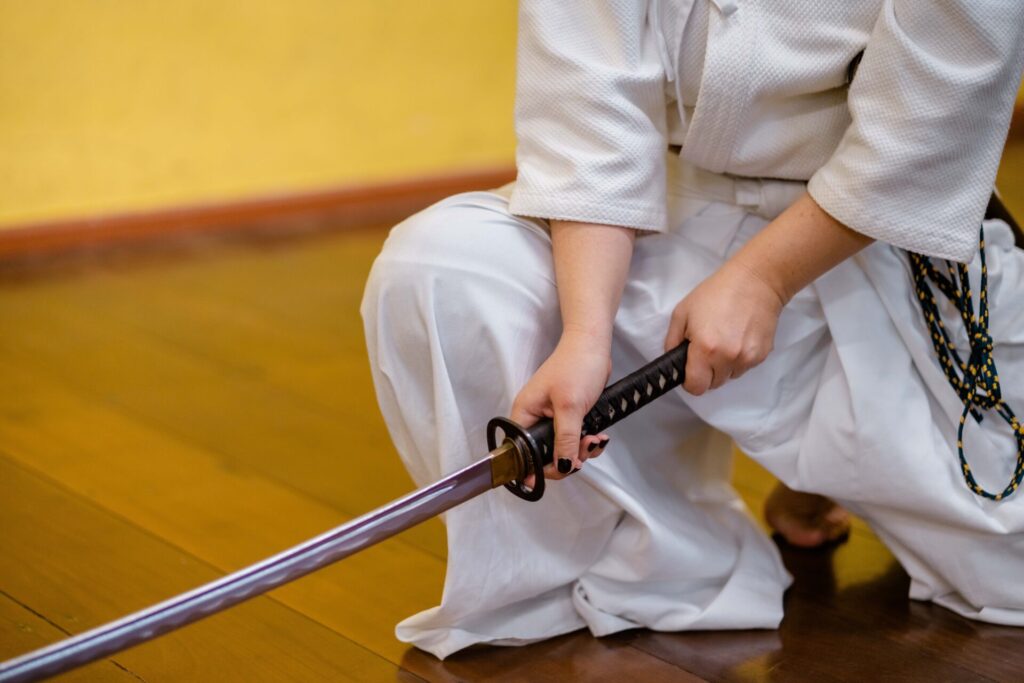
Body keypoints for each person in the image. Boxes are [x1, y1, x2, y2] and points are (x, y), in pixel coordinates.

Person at [361, 0, 1024, 659]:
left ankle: (819, 470)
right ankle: (661, 556)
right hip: (651, 215)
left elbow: (936, 110)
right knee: (442, 266)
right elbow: (589, 105)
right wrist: (584, 336)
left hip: (866, 232)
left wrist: (764, 278)